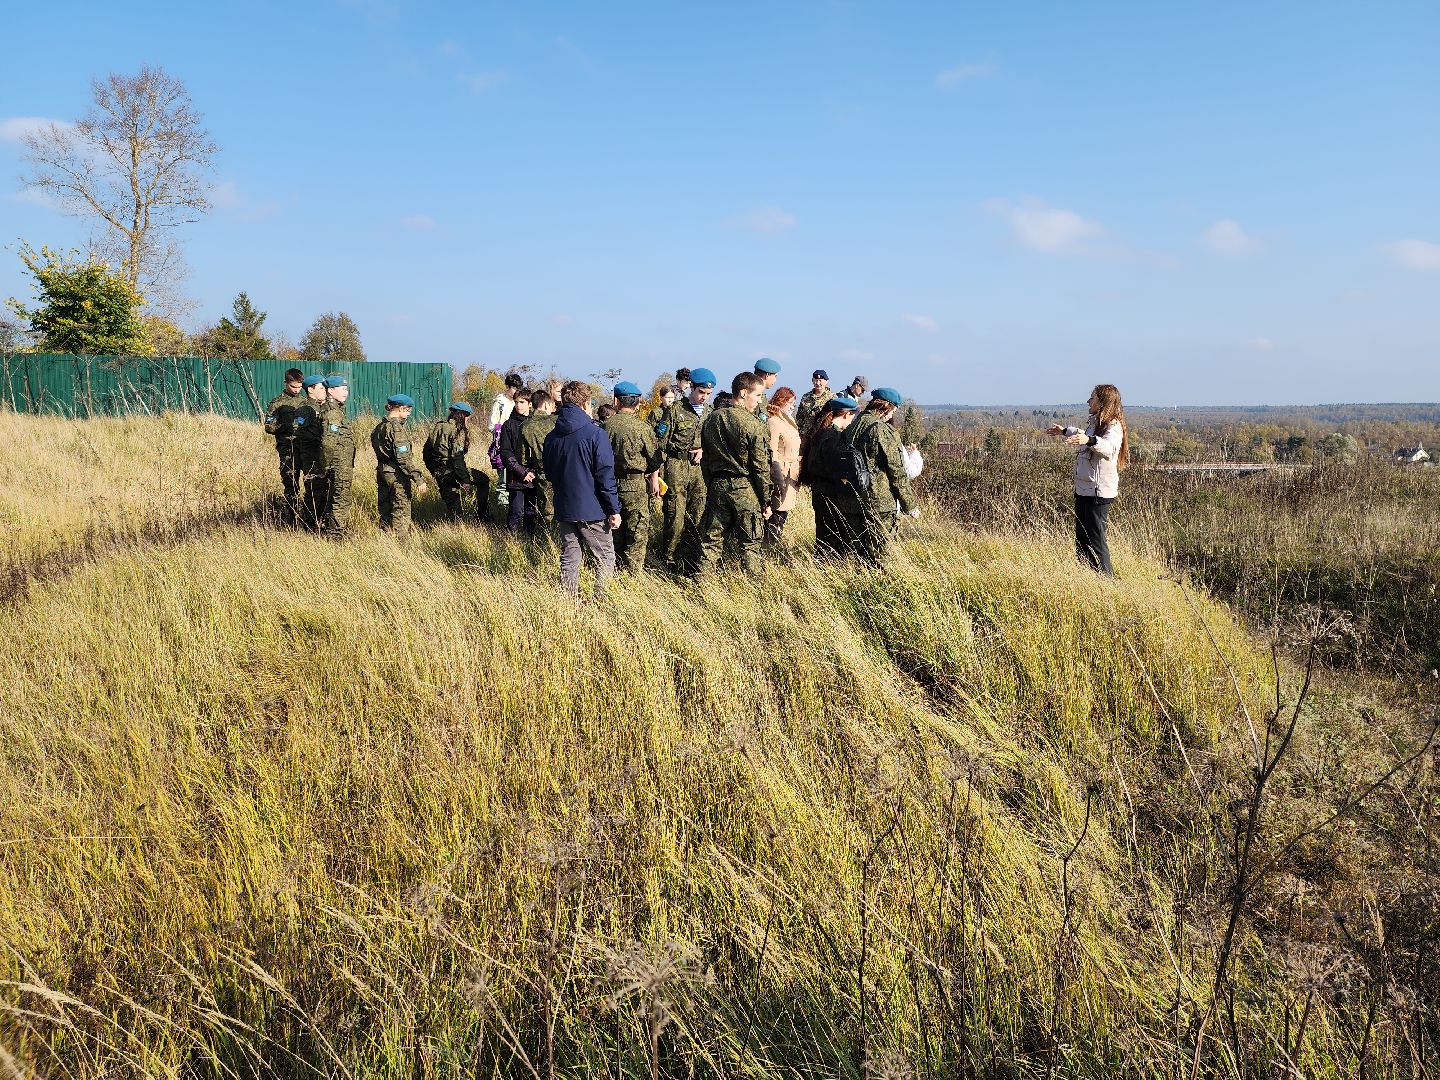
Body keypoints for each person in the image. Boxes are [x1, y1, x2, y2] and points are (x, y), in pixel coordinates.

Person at [541, 381, 622, 596]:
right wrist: (614, 509)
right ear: (586, 403)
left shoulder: (551, 437)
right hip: (593, 510)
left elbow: (548, 473)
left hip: (564, 507)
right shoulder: (596, 434)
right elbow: (605, 475)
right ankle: (602, 601)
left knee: (570, 556)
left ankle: (569, 602)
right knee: (605, 556)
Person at [694, 372, 772, 574]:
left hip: (717, 486)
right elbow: (761, 467)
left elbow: (705, 461)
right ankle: (755, 586)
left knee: (711, 541)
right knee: (750, 543)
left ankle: (702, 583)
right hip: (745, 489)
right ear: (744, 393)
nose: (759, 401)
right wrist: (766, 500)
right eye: (757, 395)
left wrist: (712, 484)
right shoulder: (753, 424)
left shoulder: (711, 419)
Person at [1046, 383, 1127, 576]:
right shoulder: (1096, 423)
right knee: (1081, 542)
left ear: (1102, 402)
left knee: (1096, 541)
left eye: (1092, 398)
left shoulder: (1113, 426)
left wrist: (1089, 440)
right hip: (1084, 490)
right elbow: (1085, 435)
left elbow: (1109, 448)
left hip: (1098, 492)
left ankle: (1107, 582)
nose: (1088, 401)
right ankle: (1089, 578)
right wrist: (1065, 431)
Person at [832, 387, 918, 564]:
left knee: (852, 556)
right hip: (878, 504)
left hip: (850, 499)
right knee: (879, 558)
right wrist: (909, 505)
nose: (891, 415)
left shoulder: (850, 426)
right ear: (886, 407)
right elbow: (897, 471)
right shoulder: (882, 430)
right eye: (893, 410)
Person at [657, 367, 715, 570]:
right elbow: (660, 441)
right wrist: (657, 472)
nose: (704, 397)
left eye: (708, 394)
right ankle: (669, 558)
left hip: (699, 470)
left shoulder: (710, 413)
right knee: (675, 515)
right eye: (701, 392)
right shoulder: (675, 410)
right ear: (691, 387)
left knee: (697, 514)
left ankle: (689, 557)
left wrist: (704, 450)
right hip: (676, 466)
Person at [604, 381, 663, 572]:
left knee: (613, 531)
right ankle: (632, 574)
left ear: (616, 401)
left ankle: (613, 570)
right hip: (636, 486)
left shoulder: (605, 427)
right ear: (637, 403)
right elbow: (655, 460)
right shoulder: (643, 428)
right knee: (637, 532)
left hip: (610, 485)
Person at [799, 395, 858, 556]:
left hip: (820, 492)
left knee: (824, 538)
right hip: (831, 493)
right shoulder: (834, 436)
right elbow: (835, 468)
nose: (852, 421)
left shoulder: (821, 432)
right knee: (833, 542)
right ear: (846, 414)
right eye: (852, 417)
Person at [372, 394, 429, 539]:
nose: (409, 414)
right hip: (396, 475)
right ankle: (401, 544)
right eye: (408, 410)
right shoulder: (396, 428)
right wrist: (418, 478)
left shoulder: (380, 427)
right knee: (401, 511)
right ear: (401, 408)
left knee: (385, 510)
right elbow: (403, 458)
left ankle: (384, 541)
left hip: (382, 473)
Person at [424, 402, 488, 522]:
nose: (467, 420)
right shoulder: (457, 430)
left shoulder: (438, 427)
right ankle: (482, 516)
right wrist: (465, 479)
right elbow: (457, 459)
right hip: (452, 471)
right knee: (484, 480)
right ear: (462, 416)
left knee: (454, 509)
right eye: (467, 417)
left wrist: (434, 471)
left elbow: (426, 453)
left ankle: (456, 526)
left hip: (439, 472)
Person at [263, 367, 309, 526]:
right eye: (293, 386)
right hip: (288, 450)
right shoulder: (277, 403)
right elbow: (268, 426)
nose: (296, 390)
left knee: (311, 484)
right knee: (291, 485)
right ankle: (292, 520)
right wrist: (285, 426)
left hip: (306, 449)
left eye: (299, 387)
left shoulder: (305, 402)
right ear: (286, 383)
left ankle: (309, 518)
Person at [318, 375, 357, 539]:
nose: (346, 393)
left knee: (334, 497)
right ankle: (335, 535)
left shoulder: (334, 410)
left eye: (347, 389)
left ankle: (330, 530)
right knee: (341, 499)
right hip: (339, 464)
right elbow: (328, 442)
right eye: (343, 389)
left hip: (338, 463)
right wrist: (326, 465)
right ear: (331, 391)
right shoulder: (333, 413)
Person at [765, 387, 801, 544]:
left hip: (791, 473)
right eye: (790, 403)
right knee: (776, 511)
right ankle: (770, 544)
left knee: (783, 512)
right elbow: (772, 452)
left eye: (794, 403)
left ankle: (774, 544)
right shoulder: (773, 422)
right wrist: (777, 474)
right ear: (781, 401)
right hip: (780, 473)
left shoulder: (789, 421)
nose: (792, 406)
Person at [519, 391, 559, 531]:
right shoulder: (555, 422)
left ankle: (546, 536)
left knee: (546, 510)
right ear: (547, 404)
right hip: (562, 470)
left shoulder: (525, 426)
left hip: (542, 472)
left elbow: (524, 457)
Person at [499, 390, 535, 533]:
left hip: (534, 475)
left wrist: (533, 472)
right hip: (516, 476)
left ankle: (529, 540)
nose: (518, 405)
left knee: (531, 512)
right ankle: (511, 540)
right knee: (516, 511)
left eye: (522, 402)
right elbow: (506, 452)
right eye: (516, 402)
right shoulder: (509, 424)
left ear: (530, 404)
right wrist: (522, 472)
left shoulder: (535, 423)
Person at [489, 372, 525, 510]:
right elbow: (491, 425)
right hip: (503, 445)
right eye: (514, 388)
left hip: (518, 445)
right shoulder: (500, 402)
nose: (516, 391)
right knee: (503, 479)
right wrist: (503, 428)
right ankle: (503, 508)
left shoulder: (521, 402)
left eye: (518, 388)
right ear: (508, 387)